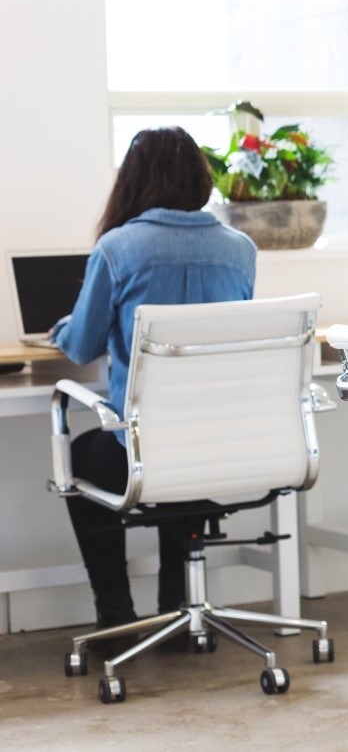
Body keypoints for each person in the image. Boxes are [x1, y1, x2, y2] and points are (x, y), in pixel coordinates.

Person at [51, 126, 257, 632]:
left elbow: (79, 346)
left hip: (143, 449)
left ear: (133, 181)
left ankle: (116, 615)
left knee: (84, 456)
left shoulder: (118, 250)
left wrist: (58, 328)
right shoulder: (241, 249)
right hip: (223, 444)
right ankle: (177, 608)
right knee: (183, 454)